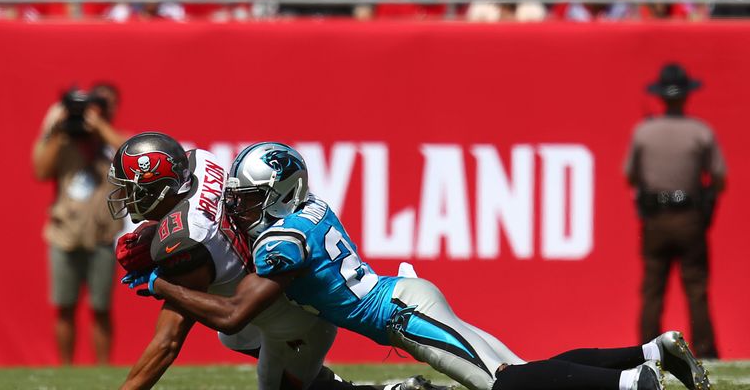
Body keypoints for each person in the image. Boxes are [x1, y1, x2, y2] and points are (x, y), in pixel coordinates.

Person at [128, 142, 711, 390]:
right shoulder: (304, 212)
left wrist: (158, 282)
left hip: (403, 315)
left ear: (278, 193)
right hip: (403, 297)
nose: (239, 203)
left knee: (508, 383)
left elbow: (232, 316)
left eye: (249, 195)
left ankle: (635, 383)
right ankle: (653, 352)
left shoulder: (284, 239)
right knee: (523, 370)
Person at [107, 132, 447, 390]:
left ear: (161, 189)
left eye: (131, 188)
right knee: (240, 342)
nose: (125, 196)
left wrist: (159, 279)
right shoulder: (199, 164)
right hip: (269, 300)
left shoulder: (184, 242)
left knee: (269, 365)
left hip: (286, 314)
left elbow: (167, 342)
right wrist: (156, 235)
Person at [625, 63, 726, 359]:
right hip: (689, 217)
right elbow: (719, 178)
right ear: (685, 96)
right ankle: (706, 351)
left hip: (655, 218)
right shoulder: (700, 132)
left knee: (653, 289)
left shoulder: (644, 132)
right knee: (695, 286)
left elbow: (631, 176)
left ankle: (646, 350)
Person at [32, 85, 128, 364]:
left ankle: (102, 368)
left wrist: (99, 128)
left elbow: (129, 155)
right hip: (65, 235)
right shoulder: (63, 141)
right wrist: (53, 128)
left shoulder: (113, 142)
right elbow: (40, 170)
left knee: (101, 308)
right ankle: (66, 370)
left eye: (105, 104)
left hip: (102, 236)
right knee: (64, 306)